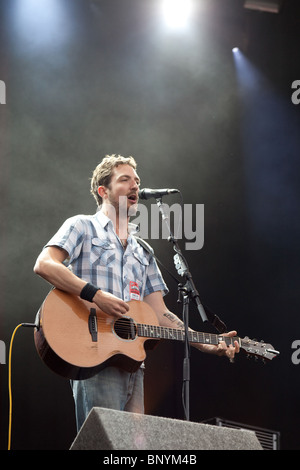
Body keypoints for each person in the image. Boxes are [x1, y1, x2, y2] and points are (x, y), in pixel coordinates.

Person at [34, 154, 239, 431]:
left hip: (133, 363)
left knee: (132, 449)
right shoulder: (81, 226)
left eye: (137, 181)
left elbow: (160, 312)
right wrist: (95, 294)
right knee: (102, 444)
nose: (135, 186)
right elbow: (44, 264)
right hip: (92, 353)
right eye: (125, 179)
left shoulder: (143, 250)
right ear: (103, 191)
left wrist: (205, 343)